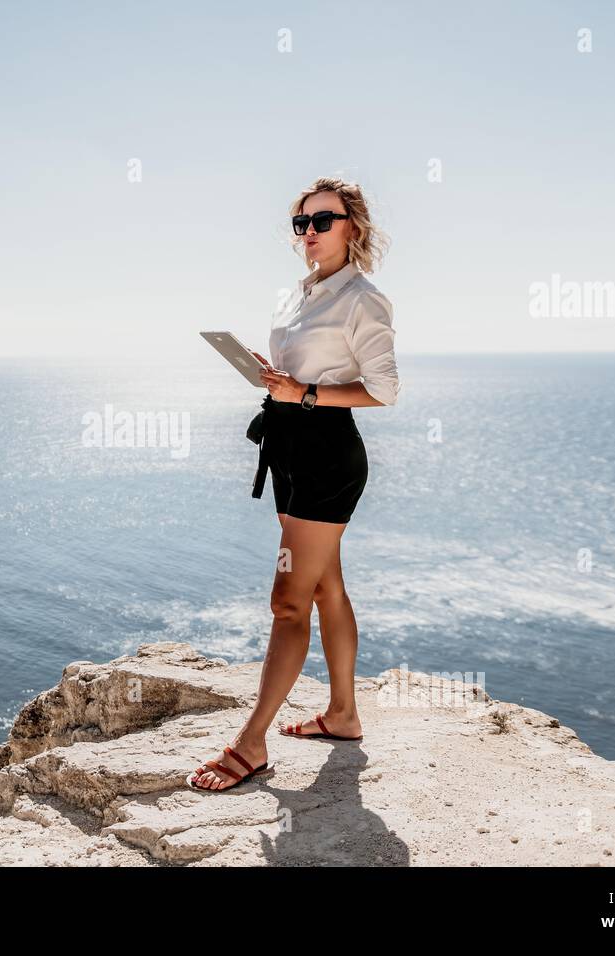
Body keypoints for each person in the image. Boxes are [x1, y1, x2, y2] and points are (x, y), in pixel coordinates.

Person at [187, 177, 401, 792]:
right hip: (289, 452)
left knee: (287, 601)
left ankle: (250, 743)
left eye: (323, 221)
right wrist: (275, 377)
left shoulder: (364, 299)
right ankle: (343, 713)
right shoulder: (297, 296)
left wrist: (303, 393)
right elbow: (303, 374)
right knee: (324, 584)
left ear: (352, 226)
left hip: (328, 458)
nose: (309, 233)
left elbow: (384, 389)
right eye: (301, 222)